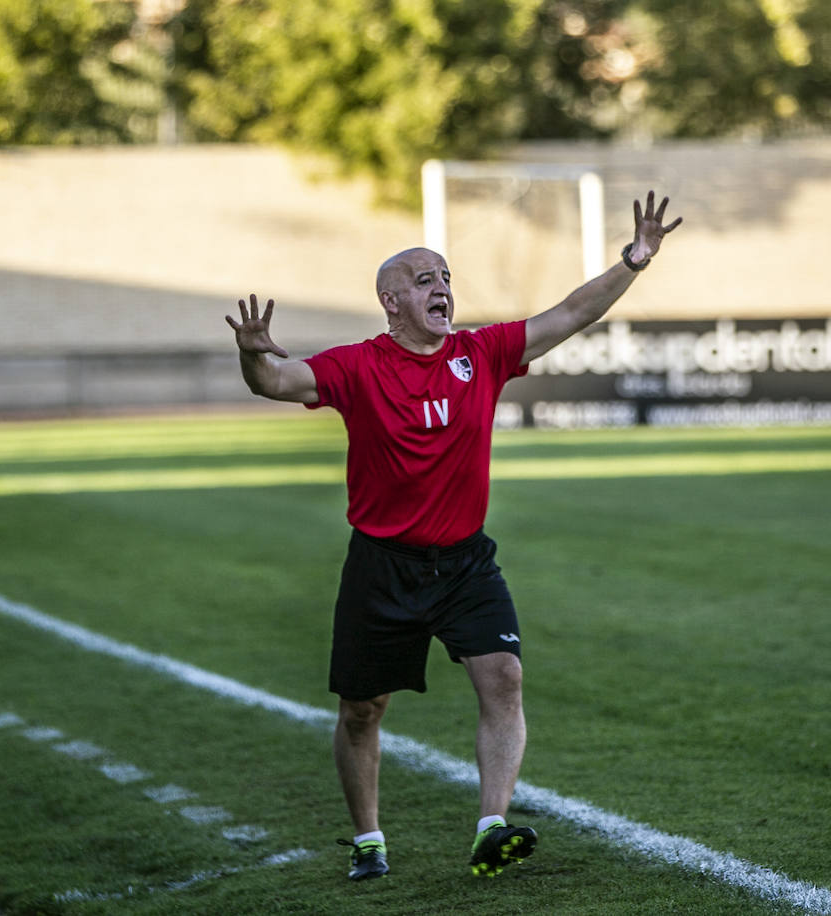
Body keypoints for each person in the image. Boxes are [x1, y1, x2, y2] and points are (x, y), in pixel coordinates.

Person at [225, 191, 682, 881]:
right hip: (382, 565)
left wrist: (634, 260)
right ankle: (368, 840)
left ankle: (491, 827)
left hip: (466, 562)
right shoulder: (357, 366)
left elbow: (571, 312)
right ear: (391, 302)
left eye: (444, 276)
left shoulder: (483, 353)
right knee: (361, 711)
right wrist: (252, 356)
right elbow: (275, 381)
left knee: (504, 678)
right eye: (423, 280)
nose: (441, 287)